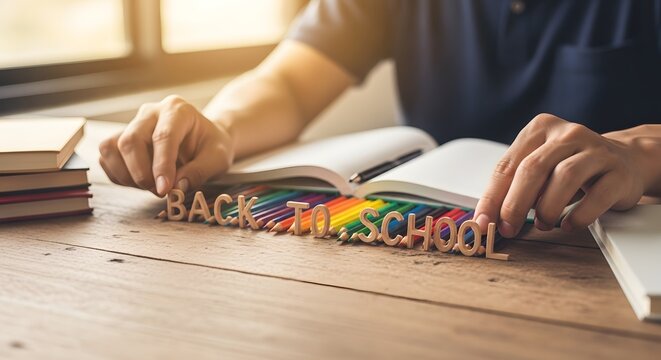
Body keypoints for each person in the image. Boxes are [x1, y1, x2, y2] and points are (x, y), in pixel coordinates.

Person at [99, 0, 661, 238]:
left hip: (597, 257)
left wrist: (642, 152)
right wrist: (220, 126)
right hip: (428, 243)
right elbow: (291, 82)